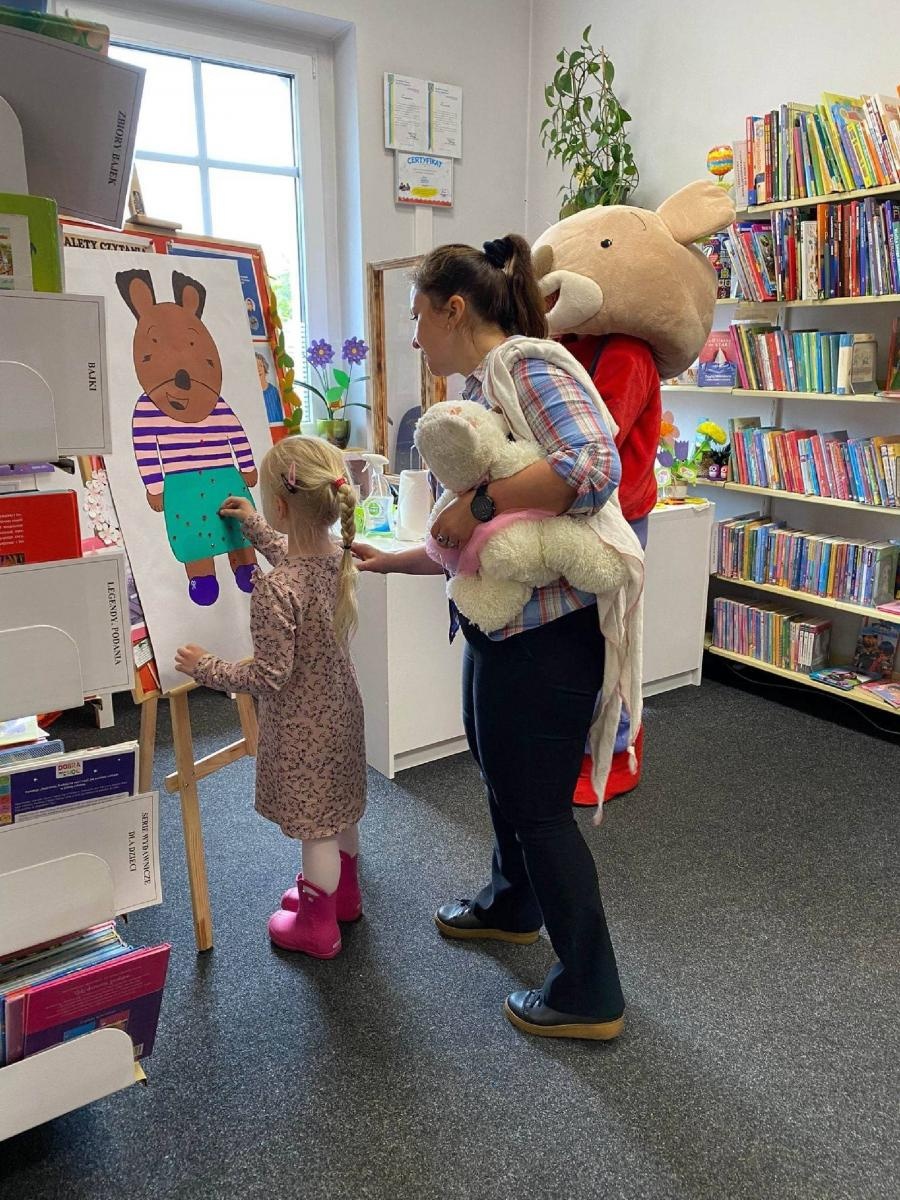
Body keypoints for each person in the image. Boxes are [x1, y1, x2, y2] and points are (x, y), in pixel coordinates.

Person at [354, 235, 643, 1040]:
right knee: (501, 777)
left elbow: (593, 467)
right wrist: (394, 560)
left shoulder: (528, 366)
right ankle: (511, 905)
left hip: (550, 634)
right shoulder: (488, 385)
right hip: (502, 625)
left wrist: (478, 504)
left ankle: (591, 992)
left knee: (538, 807)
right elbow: (473, 531)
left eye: (419, 317)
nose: (415, 337)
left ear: (454, 309)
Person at [174, 435, 367, 959]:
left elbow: (268, 676)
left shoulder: (276, 589)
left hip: (304, 728)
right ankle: (344, 897)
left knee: (316, 830)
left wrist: (206, 667)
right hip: (342, 713)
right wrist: (255, 528)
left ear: (281, 506)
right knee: (340, 812)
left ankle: (317, 926)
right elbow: (294, 551)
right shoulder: (339, 557)